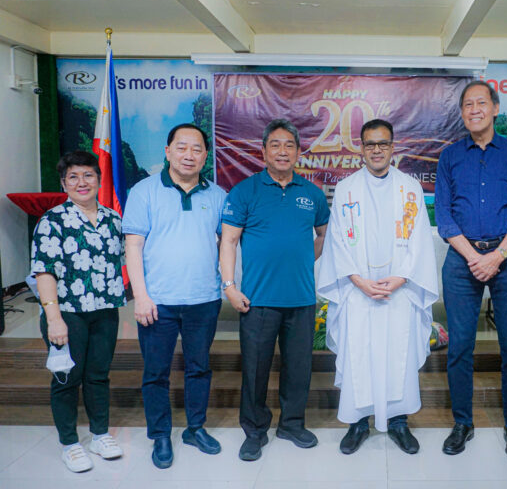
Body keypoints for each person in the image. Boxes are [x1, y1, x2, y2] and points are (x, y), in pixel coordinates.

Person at [317, 119, 438, 455]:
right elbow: (337, 241)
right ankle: (358, 422)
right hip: (359, 290)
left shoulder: (410, 187)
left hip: (399, 290)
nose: (377, 150)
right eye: (370, 144)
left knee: (398, 354)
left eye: (383, 143)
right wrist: (358, 280)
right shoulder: (346, 189)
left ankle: (398, 422)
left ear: (393, 146)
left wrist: (400, 278)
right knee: (359, 355)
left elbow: (419, 241)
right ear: (361, 148)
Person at [220, 118, 330, 462]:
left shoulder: (311, 194)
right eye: (276, 145)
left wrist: (298, 258)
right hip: (257, 301)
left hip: (301, 299)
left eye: (289, 146)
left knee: (299, 369)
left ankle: (292, 424)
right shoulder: (244, 191)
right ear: (263, 151)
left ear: (299, 152)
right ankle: (254, 430)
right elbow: (229, 240)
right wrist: (229, 286)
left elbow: (324, 236)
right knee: (255, 369)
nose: (283, 151)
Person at [435, 80, 507, 459]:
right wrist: (474, 257)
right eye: (467, 105)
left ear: (495, 107)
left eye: (481, 103)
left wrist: (496, 256)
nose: (474, 109)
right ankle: (463, 422)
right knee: (460, 347)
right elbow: (444, 217)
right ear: (461, 113)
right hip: (462, 260)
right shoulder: (449, 157)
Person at [123, 123, 227, 469]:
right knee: (156, 372)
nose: (189, 155)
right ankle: (161, 435)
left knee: (199, 368)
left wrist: (227, 284)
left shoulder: (217, 195)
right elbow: (133, 245)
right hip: (158, 303)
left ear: (205, 156)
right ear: (167, 151)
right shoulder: (144, 191)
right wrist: (140, 295)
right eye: (181, 147)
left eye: (197, 149)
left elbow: (225, 244)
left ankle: (195, 428)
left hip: (203, 300)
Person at [30, 150, 125, 472]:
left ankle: (100, 435)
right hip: (67, 313)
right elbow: (44, 273)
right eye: (73, 176)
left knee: (98, 376)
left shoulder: (114, 219)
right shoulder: (53, 221)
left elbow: (129, 260)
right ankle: (69, 443)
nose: (81, 182)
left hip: (104, 312)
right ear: (64, 183)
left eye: (87, 175)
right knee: (67, 379)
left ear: (98, 179)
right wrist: (54, 319)